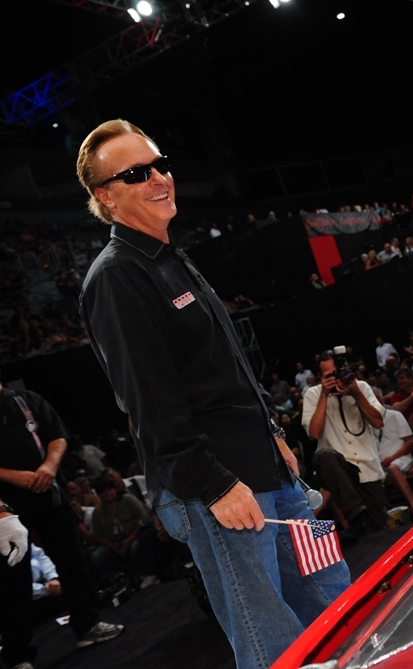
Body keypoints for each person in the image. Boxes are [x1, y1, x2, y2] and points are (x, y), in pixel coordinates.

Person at [77, 120, 348, 669]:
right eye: (136, 173)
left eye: (160, 165)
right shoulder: (116, 278)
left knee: (335, 602)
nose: (158, 178)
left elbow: (224, 365)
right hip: (221, 490)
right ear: (105, 195)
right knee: (271, 641)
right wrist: (215, 483)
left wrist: (273, 434)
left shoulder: (171, 257)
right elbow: (149, 402)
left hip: (271, 474)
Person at [0, 383, 125, 669]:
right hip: (6, 510)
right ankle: (18, 656)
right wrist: (15, 477)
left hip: (48, 494)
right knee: (12, 583)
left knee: (74, 563)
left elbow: (57, 436)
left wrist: (49, 467)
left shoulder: (26, 399)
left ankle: (87, 626)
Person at [302, 351, 389, 534]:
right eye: (328, 375)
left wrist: (356, 394)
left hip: (368, 469)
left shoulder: (361, 387)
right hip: (339, 470)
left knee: (379, 530)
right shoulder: (313, 394)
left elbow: (378, 422)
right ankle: (355, 513)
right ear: (320, 377)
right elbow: (314, 433)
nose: (335, 378)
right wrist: (325, 395)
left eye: (337, 372)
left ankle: (361, 520)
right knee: (323, 456)